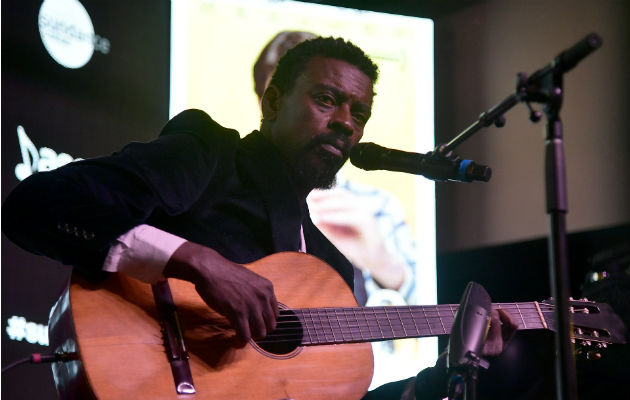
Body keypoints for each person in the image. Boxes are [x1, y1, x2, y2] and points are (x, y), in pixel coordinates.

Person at [2, 37, 515, 399]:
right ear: (271, 102)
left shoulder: (332, 270)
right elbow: (38, 205)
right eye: (326, 99)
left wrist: (446, 372)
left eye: (359, 113)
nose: (344, 122)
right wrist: (197, 261)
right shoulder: (208, 153)